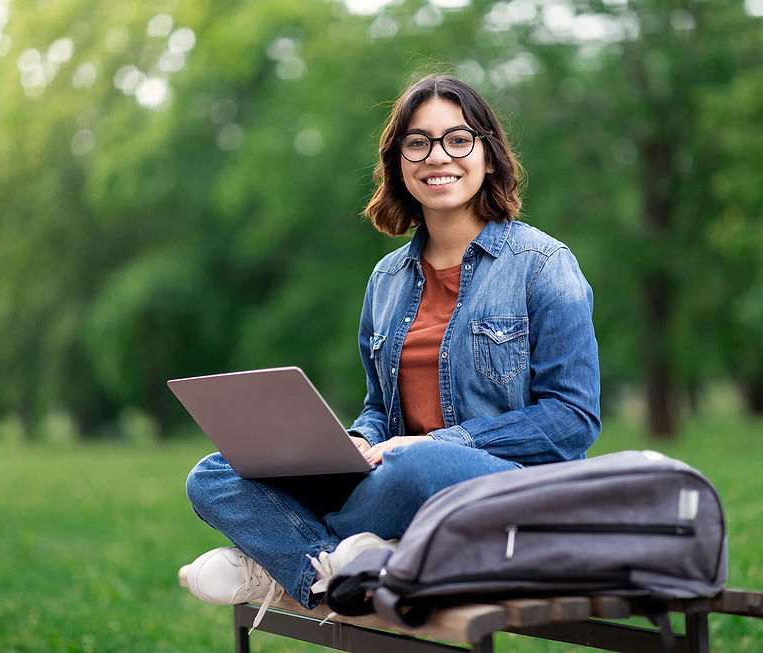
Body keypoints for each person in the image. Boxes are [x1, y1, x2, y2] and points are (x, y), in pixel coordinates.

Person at [179, 73, 601, 626]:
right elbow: (381, 407)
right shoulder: (387, 279)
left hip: (499, 486)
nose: (438, 156)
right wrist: (359, 439)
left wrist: (438, 442)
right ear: (399, 162)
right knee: (213, 475)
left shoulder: (544, 266)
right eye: (417, 143)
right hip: (395, 474)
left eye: (458, 138)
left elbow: (573, 418)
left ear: (489, 154)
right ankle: (338, 565)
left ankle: (283, 558)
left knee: (416, 463)